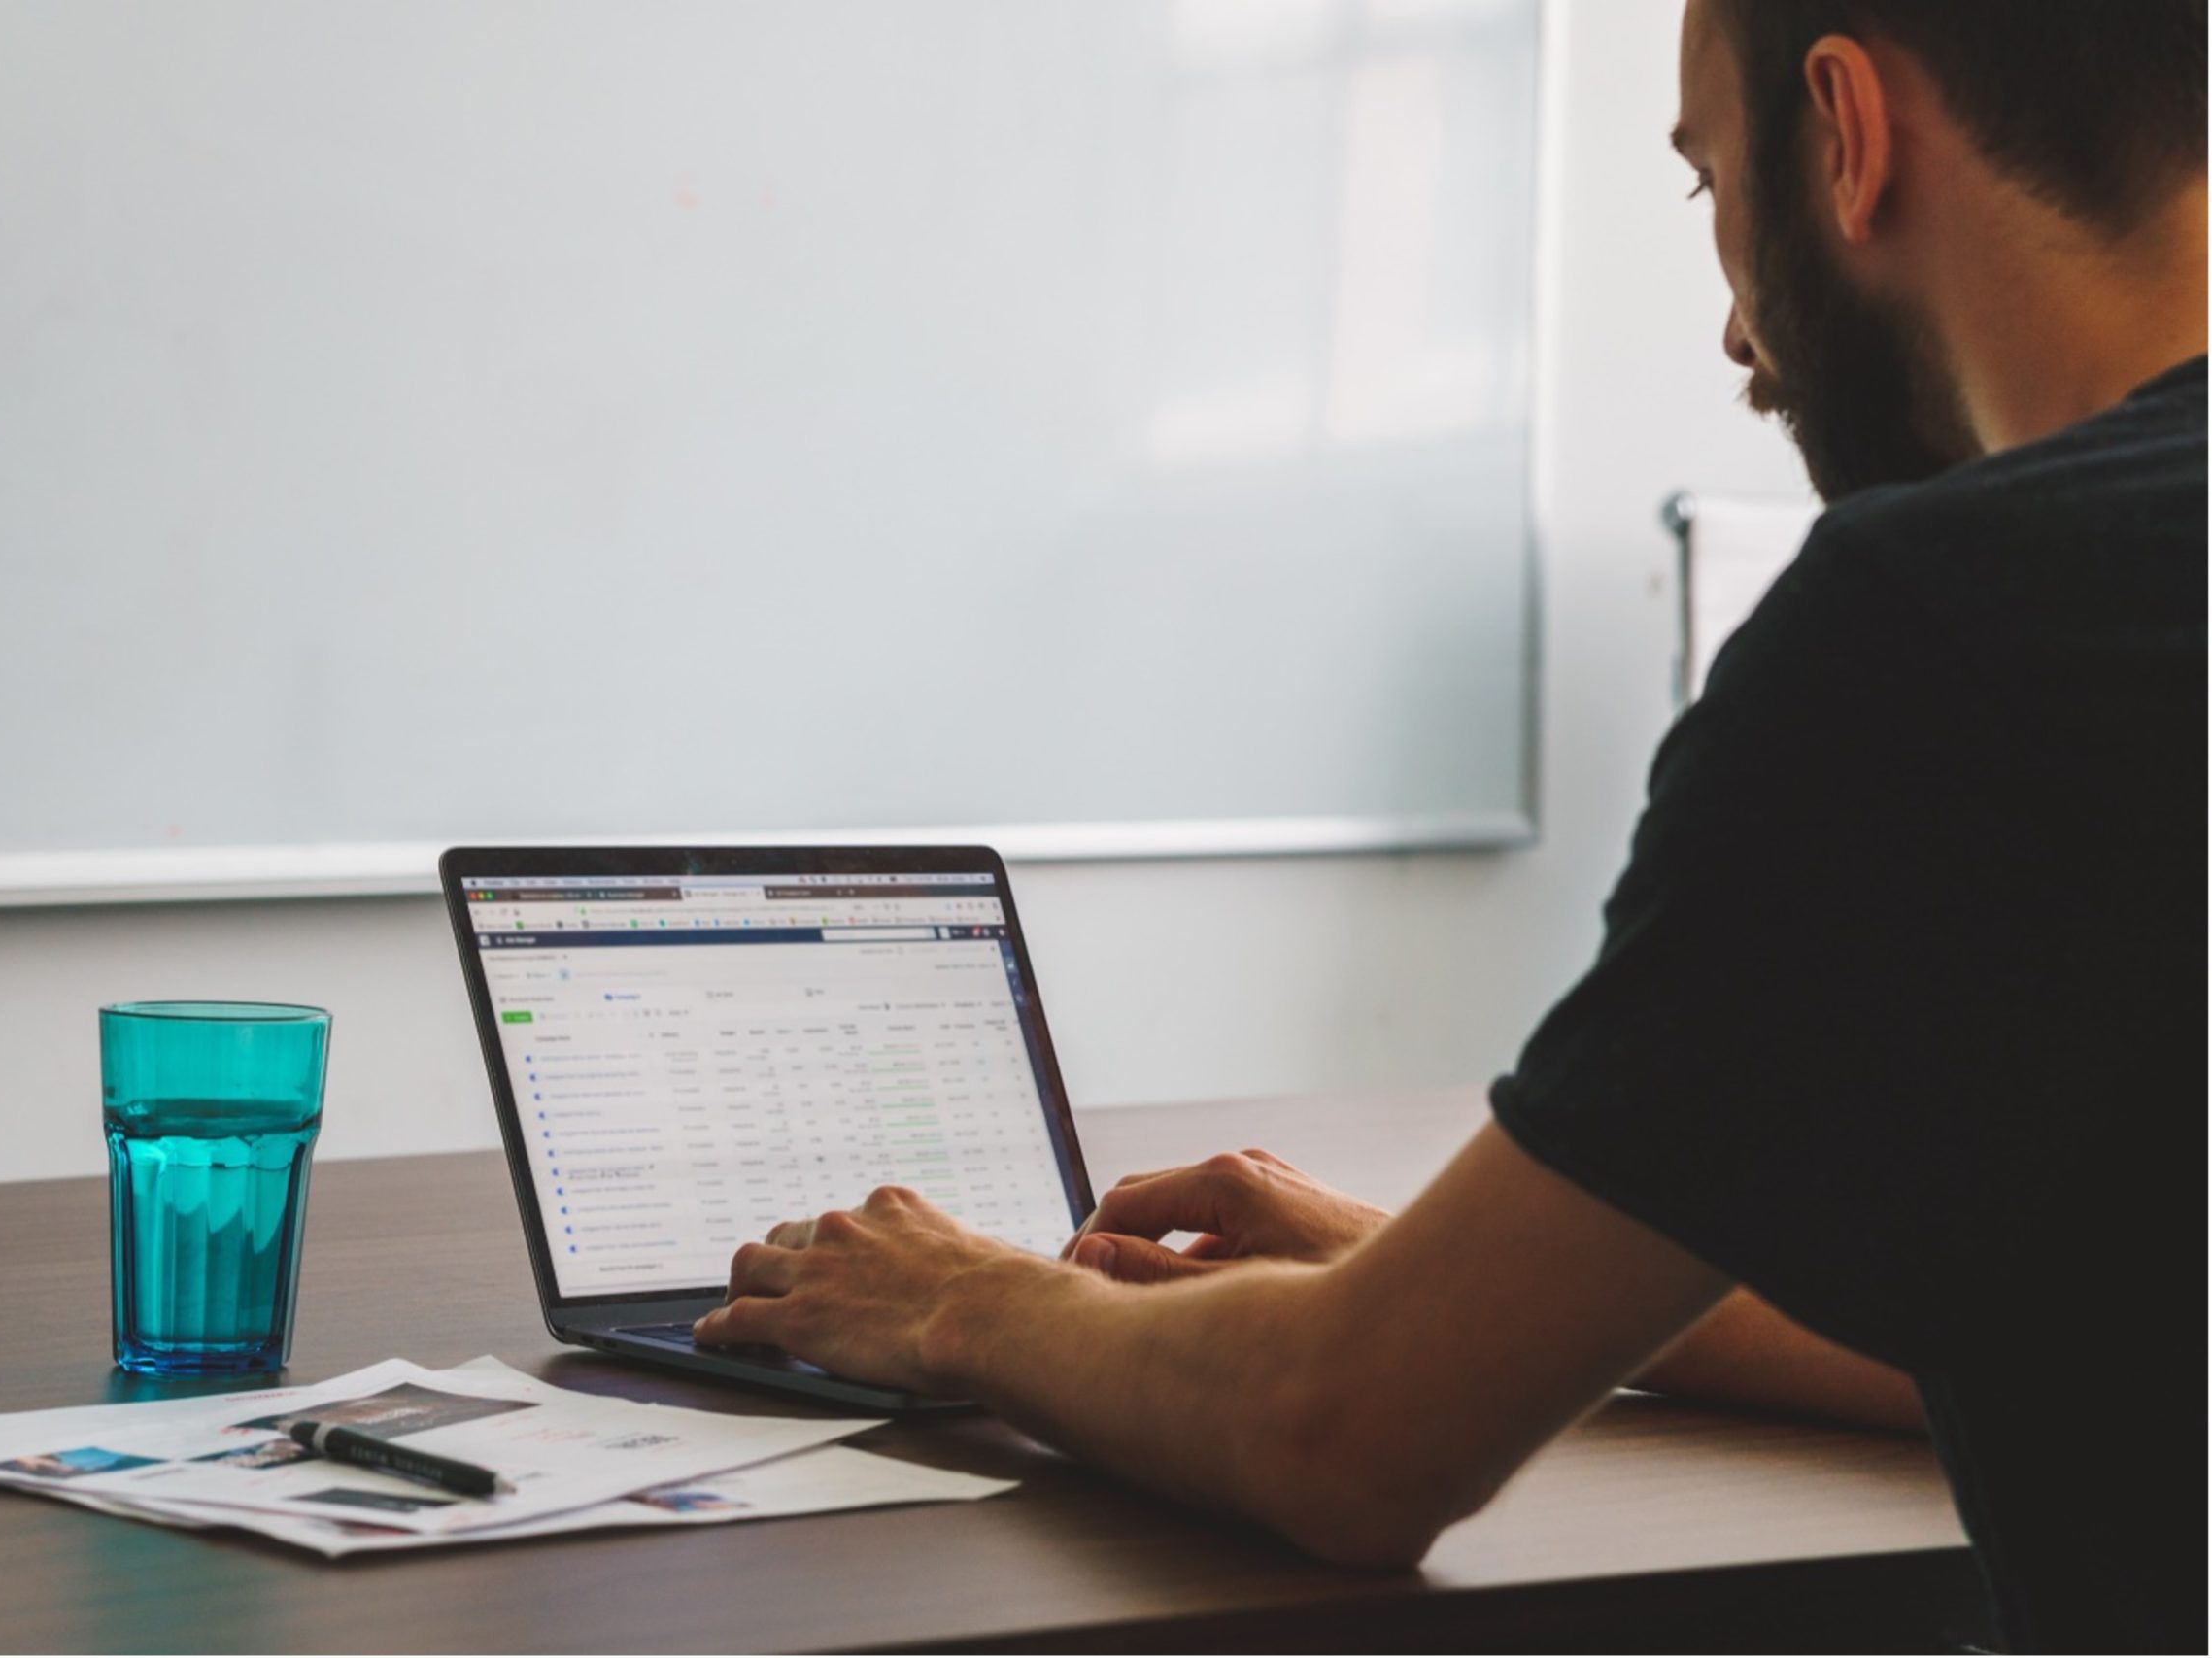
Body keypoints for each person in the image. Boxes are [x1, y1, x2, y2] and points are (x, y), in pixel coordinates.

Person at [694, 1, 2207, 1647]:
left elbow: (1342, 1442)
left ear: (1846, 131)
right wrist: (1439, 1271)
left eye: (1712, 189)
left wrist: (969, 1304)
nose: (1733, 338)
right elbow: (2102, 1333)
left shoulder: (1950, 629)